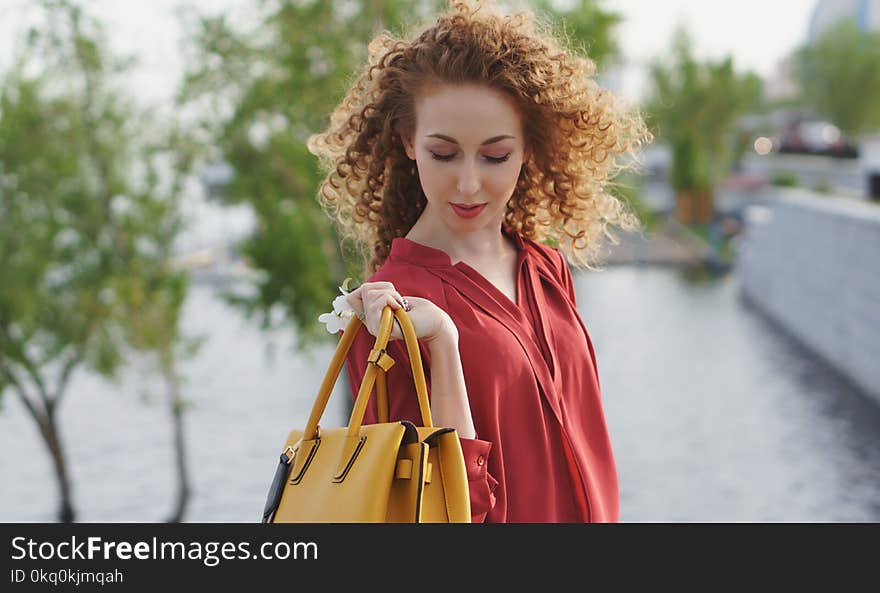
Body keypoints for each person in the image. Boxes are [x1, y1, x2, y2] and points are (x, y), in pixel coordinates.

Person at [307, 0, 650, 522]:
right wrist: (442, 343)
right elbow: (433, 513)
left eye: (495, 156)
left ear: (529, 148)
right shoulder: (390, 310)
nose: (468, 183)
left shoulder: (544, 269)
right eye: (444, 154)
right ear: (408, 142)